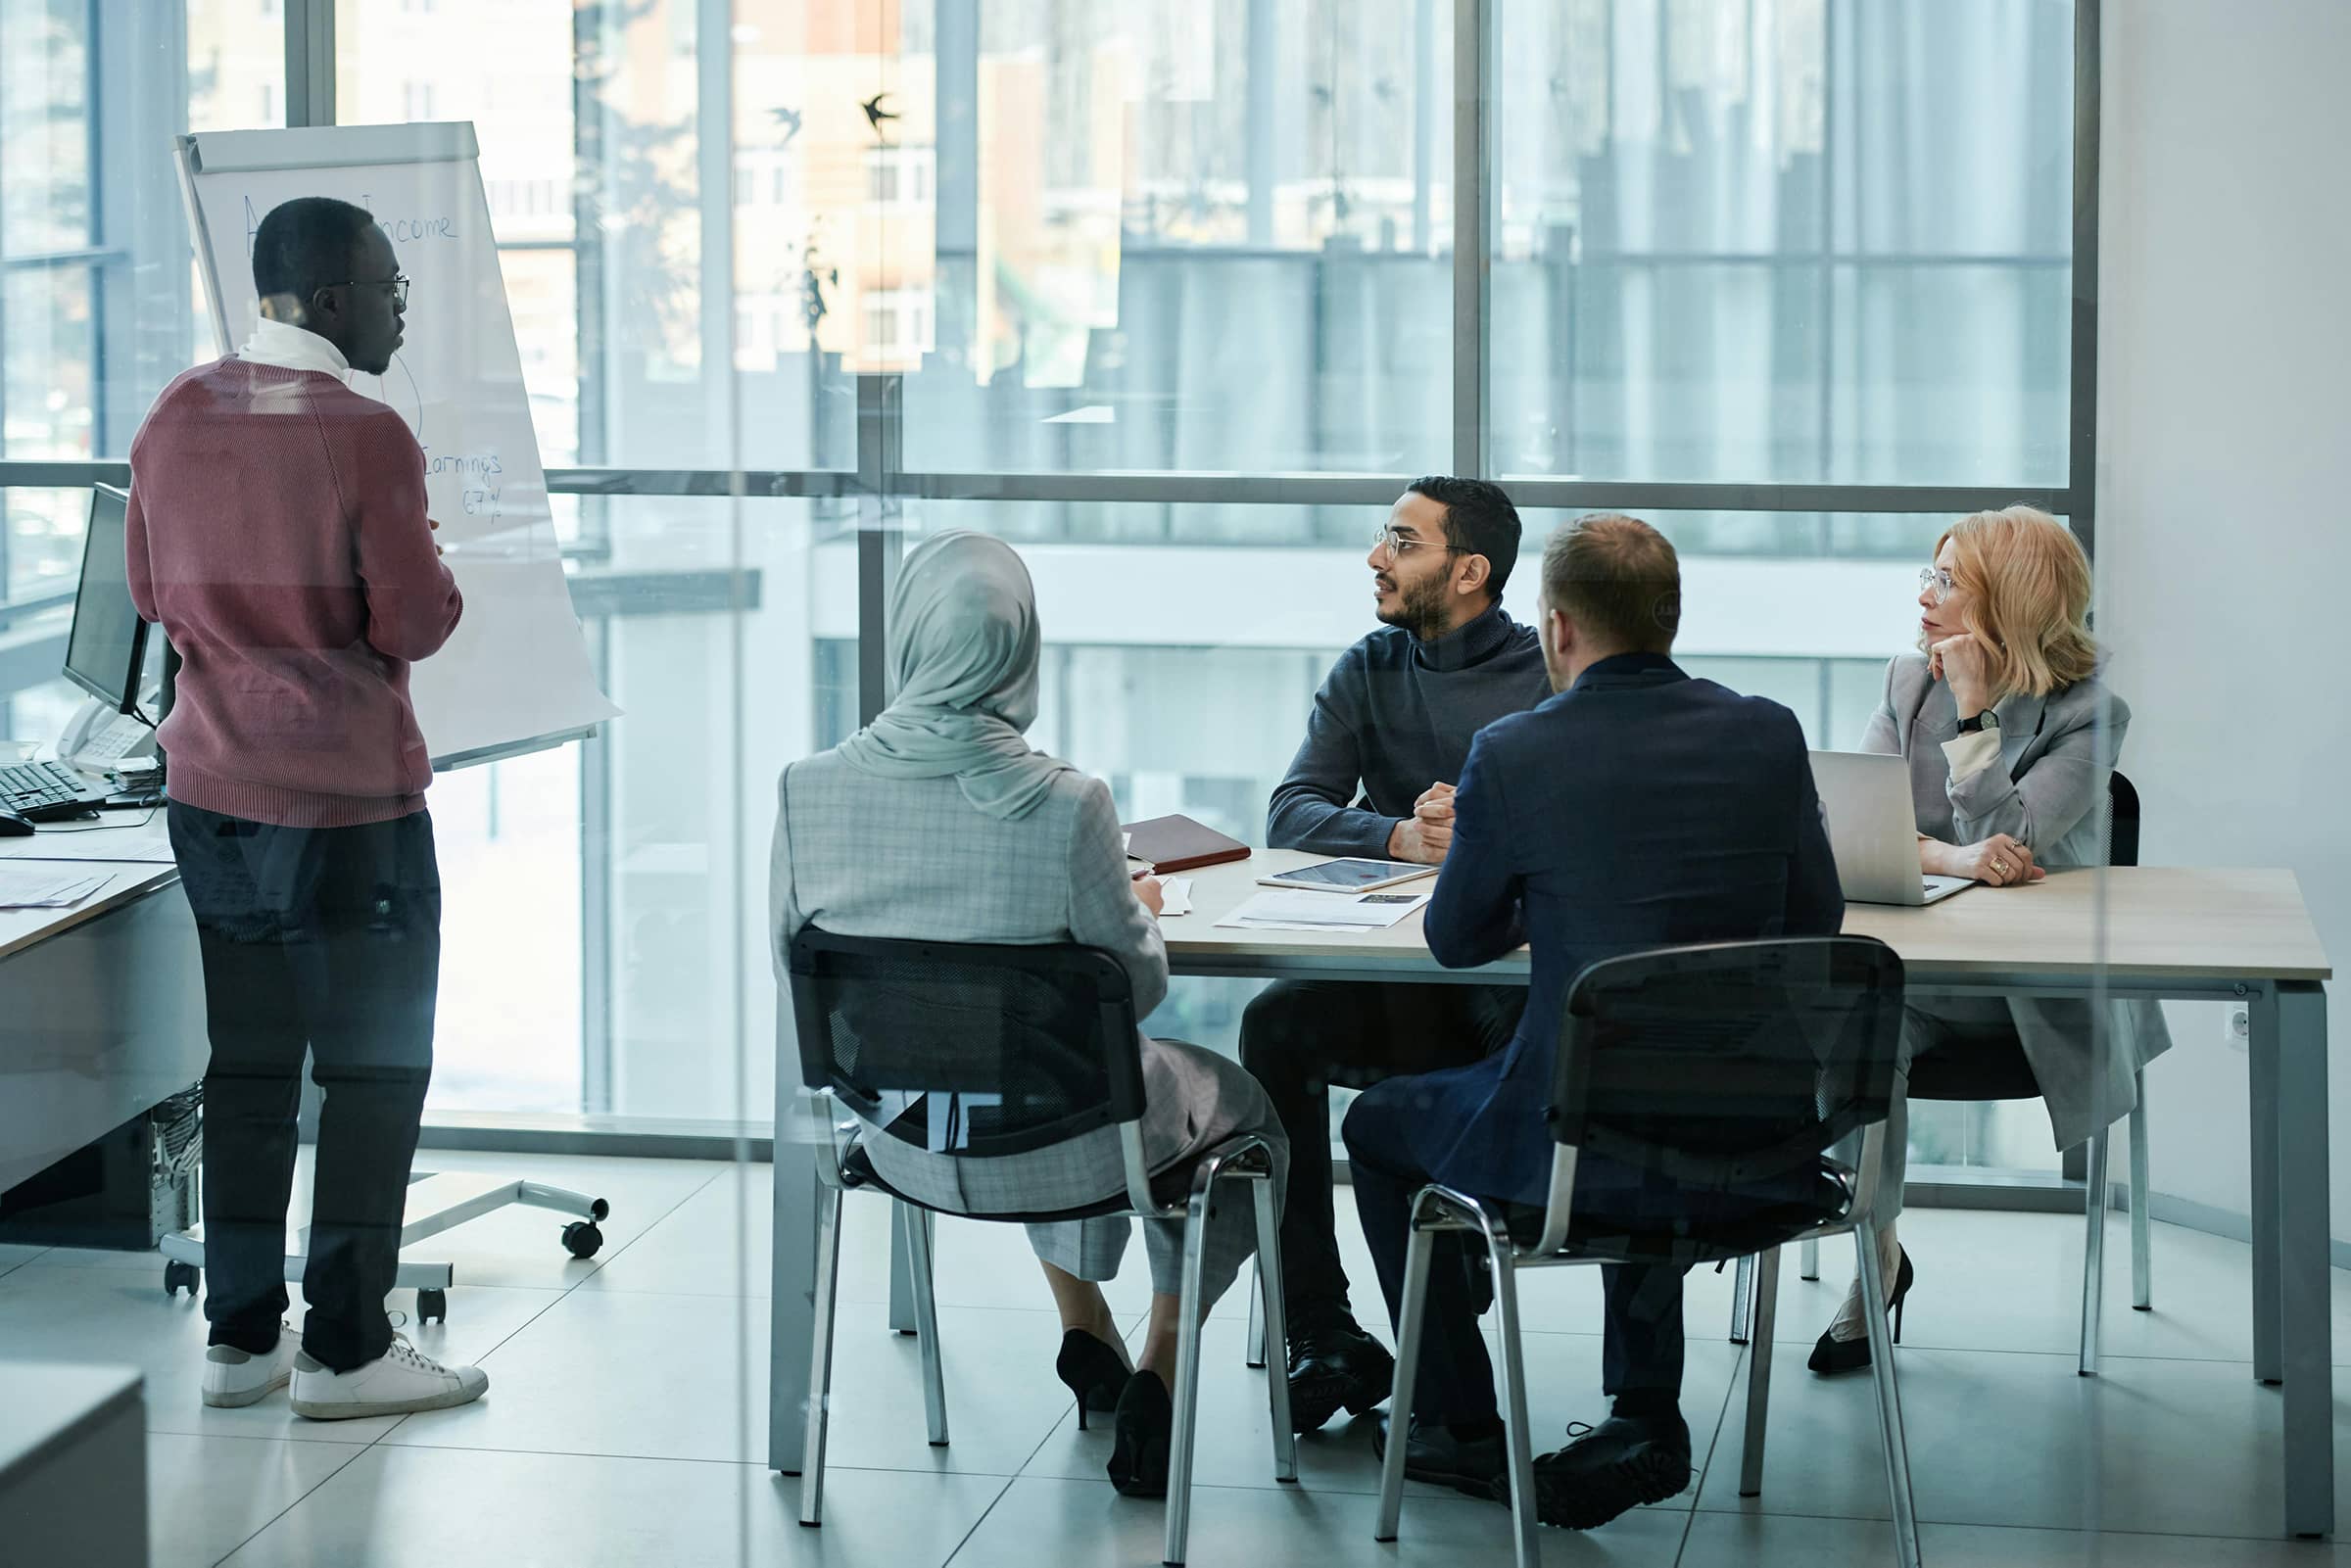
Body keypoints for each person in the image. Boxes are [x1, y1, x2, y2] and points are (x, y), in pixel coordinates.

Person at [1342, 514, 1847, 1530]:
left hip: (1584, 1133)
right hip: (1758, 1125)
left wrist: (1553, 890)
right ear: (1668, 617)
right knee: (1654, 1077)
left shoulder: (1517, 750)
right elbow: (1816, 916)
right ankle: (1643, 1408)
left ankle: (1454, 1418)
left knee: (1379, 1126)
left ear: (1558, 628)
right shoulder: (1768, 729)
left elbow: (1456, 937)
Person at [769, 530, 1288, 1499]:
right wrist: (1134, 911)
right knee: (1233, 1104)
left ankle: (1084, 1321)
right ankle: (1161, 1357)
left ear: (910, 635)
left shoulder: (808, 789)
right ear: (1020, 649)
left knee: (1009, 1063)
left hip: (900, 1138)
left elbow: (795, 972)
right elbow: (1133, 991)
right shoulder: (1068, 803)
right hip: (1075, 1147)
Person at [125, 197, 485, 1419]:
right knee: (375, 1073)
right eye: (390, 286)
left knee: (248, 1068)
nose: (399, 307)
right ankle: (346, 1347)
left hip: (211, 797)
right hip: (346, 813)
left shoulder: (177, 412)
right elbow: (412, 622)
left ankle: (240, 1341)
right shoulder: (363, 433)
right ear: (332, 298)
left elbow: (145, 587)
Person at [1808, 504, 2172, 1372]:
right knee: (1861, 1020)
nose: (1925, 596)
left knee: (1867, 1009)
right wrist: (1952, 854)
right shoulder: (1906, 681)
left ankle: (1869, 1243)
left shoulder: (2088, 711)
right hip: (1920, 976)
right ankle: (1877, 1251)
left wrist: (1974, 717)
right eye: (1927, 576)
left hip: (2036, 993)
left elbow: (2019, 835)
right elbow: (1845, 823)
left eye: (1947, 581)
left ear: (2009, 599)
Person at [1241, 475, 1552, 1433]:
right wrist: (1395, 837)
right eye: (1384, 538)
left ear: (1469, 570)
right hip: (1398, 971)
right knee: (1272, 1025)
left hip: (1507, 980)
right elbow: (1290, 808)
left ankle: (1456, 1266)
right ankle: (1320, 1325)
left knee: (1499, 1049)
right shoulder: (1368, 665)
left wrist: (1487, 827)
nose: (1376, 557)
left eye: (1402, 541)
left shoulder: (1552, 673)